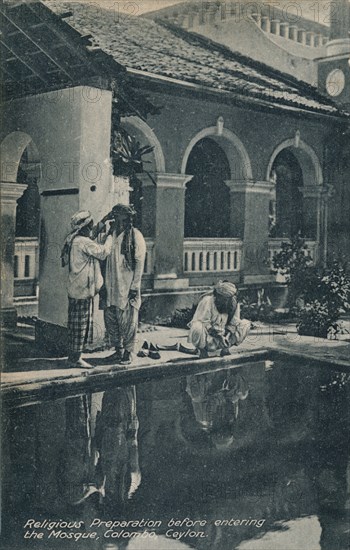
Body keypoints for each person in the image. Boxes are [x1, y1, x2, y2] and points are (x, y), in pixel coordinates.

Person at [61, 210, 112, 368]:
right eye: (90, 225)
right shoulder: (83, 242)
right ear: (83, 227)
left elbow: (91, 237)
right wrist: (110, 235)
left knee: (76, 324)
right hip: (82, 290)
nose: (92, 228)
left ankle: (74, 357)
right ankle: (75, 359)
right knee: (80, 326)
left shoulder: (73, 239)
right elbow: (103, 252)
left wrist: (104, 220)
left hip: (76, 289)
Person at [102, 204, 146, 365]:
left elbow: (140, 262)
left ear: (127, 218)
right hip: (111, 283)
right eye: (114, 215)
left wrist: (135, 286)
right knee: (110, 317)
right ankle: (118, 350)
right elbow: (93, 238)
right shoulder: (110, 235)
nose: (117, 219)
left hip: (127, 284)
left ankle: (128, 352)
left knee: (128, 319)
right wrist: (104, 220)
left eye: (119, 215)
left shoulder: (135, 236)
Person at [188, 281, 251, 358]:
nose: (226, 302)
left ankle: (225, 349)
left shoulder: (233, 303)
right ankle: (202, 351)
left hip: (223, 339)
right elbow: (205, 323)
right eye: (224, 299)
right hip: (208, 338)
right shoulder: (207, 301)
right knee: (197, 326)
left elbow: (234, 323)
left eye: (228, 299)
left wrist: (226, 337)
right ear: (217, 296)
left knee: (245, 324)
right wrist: (219, 336)